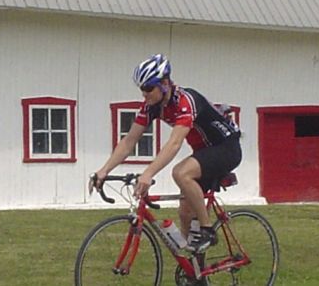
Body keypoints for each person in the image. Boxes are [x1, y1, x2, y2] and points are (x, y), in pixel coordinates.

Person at [89, 54, 241, 253]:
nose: (144, 94)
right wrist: (104, 170)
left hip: (226, 148)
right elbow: (129, 141)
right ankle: (195, 273)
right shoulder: (152, 106)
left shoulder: (185, 101)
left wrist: (148, 173)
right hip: (204, 153)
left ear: (164, 84)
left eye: (148, 88)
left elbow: (175, 142)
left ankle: (207, 230)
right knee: (185, 213)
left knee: (181, 173)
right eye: (141, 89)